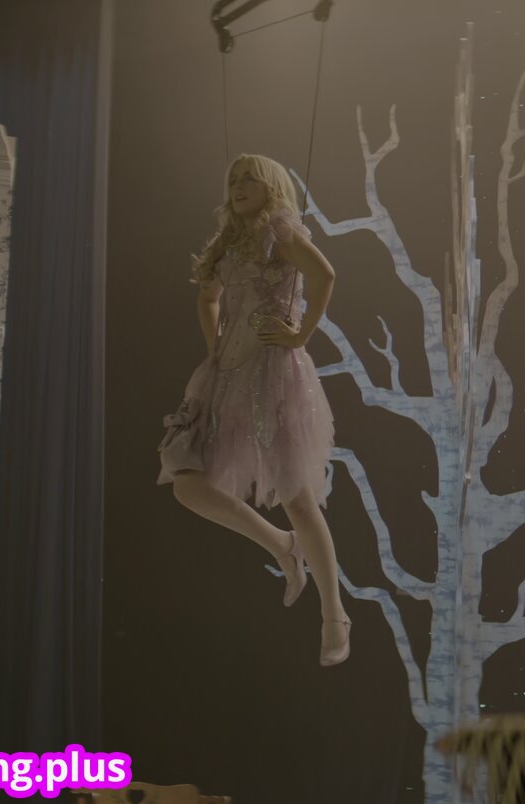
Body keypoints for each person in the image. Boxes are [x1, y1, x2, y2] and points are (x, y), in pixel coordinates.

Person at [155, 153, 350, 666]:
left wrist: (300, 335)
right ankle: (282, 546)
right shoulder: (227, 241)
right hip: (226, 378)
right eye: (234, 180)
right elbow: (207, 298)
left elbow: (324, 275)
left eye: (250, 180)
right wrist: (214, 346)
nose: (239, 187)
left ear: (271, 187)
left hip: (274, 376)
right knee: (187, 484)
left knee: (298, 498)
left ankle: (334, 614)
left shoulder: (279, 231)